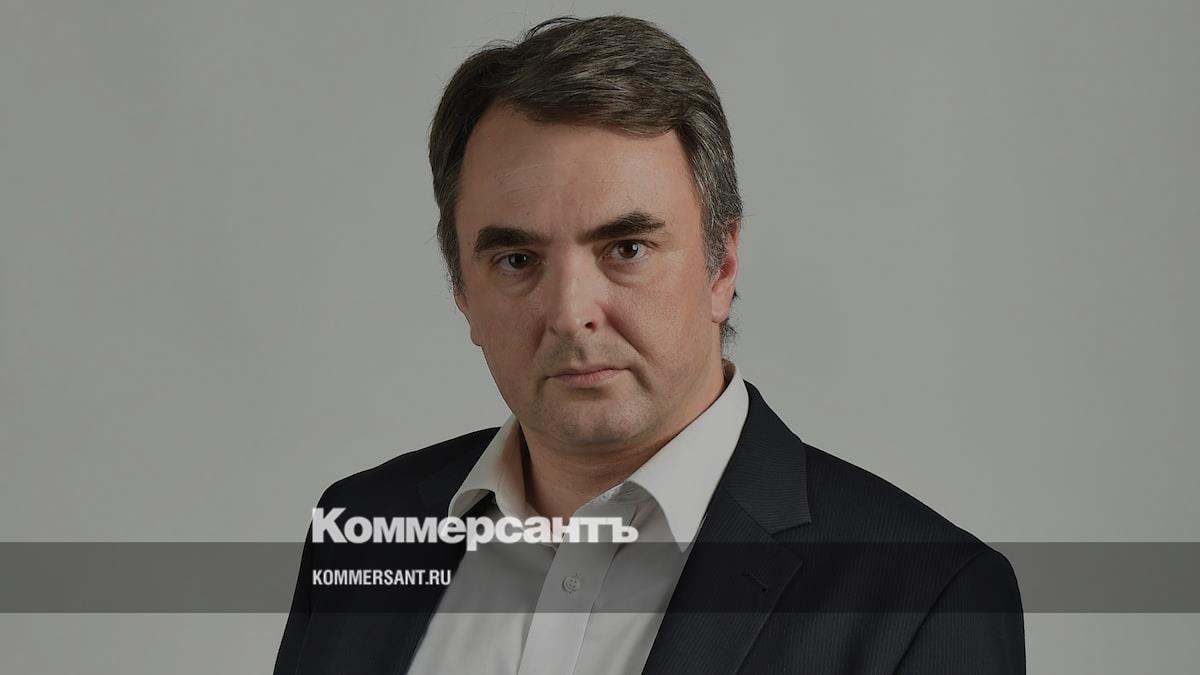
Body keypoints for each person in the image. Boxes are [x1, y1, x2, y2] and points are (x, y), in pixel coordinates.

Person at [274, 15, 1024, 675]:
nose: (570, 313)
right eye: (517, 259)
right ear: (462, 291)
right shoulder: (359, 529)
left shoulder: (926, 598)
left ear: (721, 265)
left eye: (626, 249)